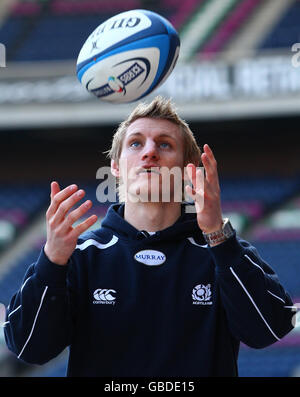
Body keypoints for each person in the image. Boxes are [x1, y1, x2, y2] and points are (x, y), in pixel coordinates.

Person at [4, 96, 295, 377]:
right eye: (136, 143)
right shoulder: (80, 255)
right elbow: (29, 347)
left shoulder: (220, 250)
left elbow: (267, 331)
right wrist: (52, 261)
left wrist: (218, 235)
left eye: (165, 144)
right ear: (116, 166)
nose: (149, 152)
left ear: (186, 169)